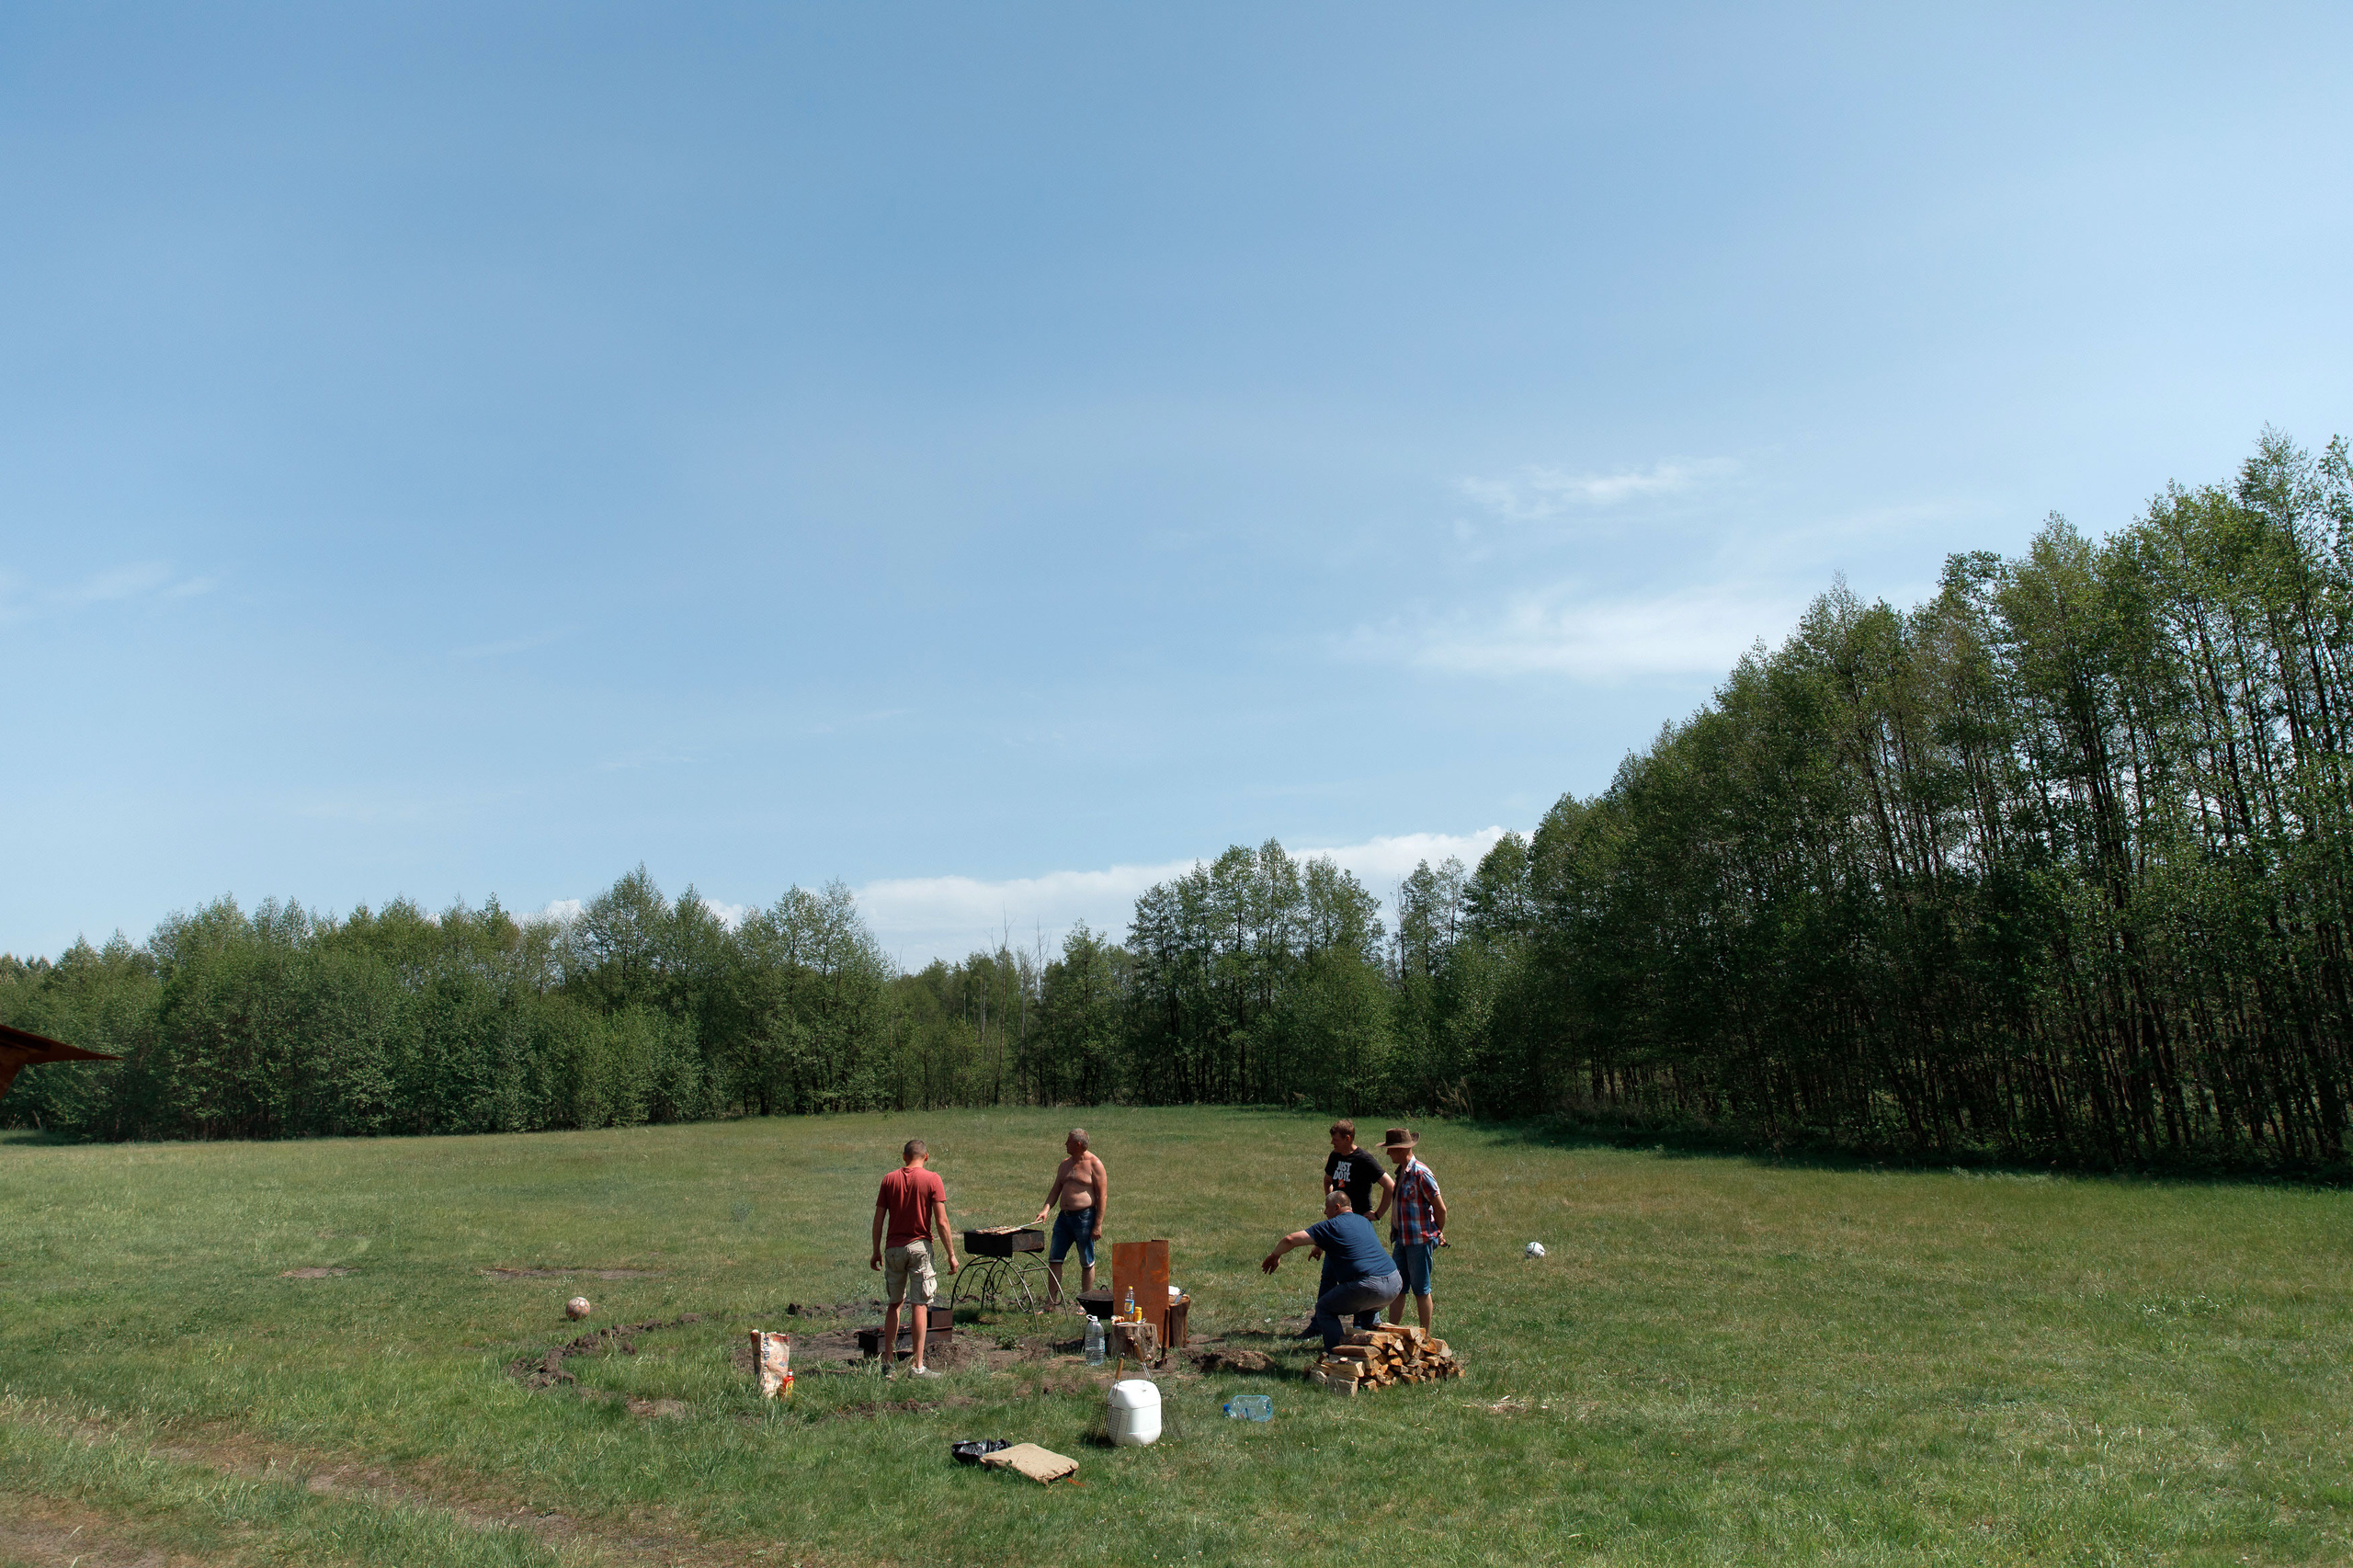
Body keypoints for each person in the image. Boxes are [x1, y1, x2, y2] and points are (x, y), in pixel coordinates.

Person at [1261, 1189, 1404, 1350]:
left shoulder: (1331, 1225)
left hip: (1369, 1285)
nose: (1324, 1212)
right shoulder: (1363, 1221)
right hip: (1394, 1282)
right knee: (1367, 1317)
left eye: (1326, 1208)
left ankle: (1337, 1357)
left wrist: (1275, 1255)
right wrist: (1320, 1246)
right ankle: (1374, 1356)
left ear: (1336, 1207)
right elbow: (1348, 1240)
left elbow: (1290, 1239)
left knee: (1324, 1308)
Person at [870, 1138, 959, 1377]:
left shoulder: (889, 1179)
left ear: (904, 1157)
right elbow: (941, 1221)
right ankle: (917, 1366)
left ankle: (887, 1364)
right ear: (926, 1157)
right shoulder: (932, 1179)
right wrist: (951, 1255)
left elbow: (879, 1219)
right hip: (920, 1248)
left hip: (893, 1250)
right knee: (919, 1305)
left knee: (894, 1304)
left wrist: (876, 1250)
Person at [1381, 1126, 1447, 1331]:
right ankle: (1393, 1331)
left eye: (1390, 1148)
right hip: (1402, 1240)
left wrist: (1435, 1232)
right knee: (1397, 1289)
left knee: (1421, 1289)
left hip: (1419, 1241)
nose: (1387, 1153)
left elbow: (1440, 1208)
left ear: (1402, 1149)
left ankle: (1425, 1336)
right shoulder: (1400, 1173)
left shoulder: (1421, 1173)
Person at [1033, 1127, 1107, 1304]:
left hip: (1085, 1218)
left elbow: (1102, 1195)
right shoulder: (1065, 1164)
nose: (1065, 1143)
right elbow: (1056, 1189)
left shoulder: (1094, 1164)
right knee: (1055, 1259)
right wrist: (1045, 1209)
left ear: (1078, 1144)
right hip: (1063, 1219)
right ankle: (1051, 1302)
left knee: (1086, 1261)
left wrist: (1097, 1224)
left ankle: (1086, 1302)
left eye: (1068, 1141)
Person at [1322, 1119, 1393, 1224]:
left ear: (1347, 1138)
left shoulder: (1364, 1159)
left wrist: (1378, 1214)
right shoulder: (1335, 1156)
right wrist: (1331, 1204)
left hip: (1359, 1219)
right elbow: (1327, 1180)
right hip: (1338, 1219)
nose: (1332, 1142)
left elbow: (1390, 1185)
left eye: (1335, 1140)